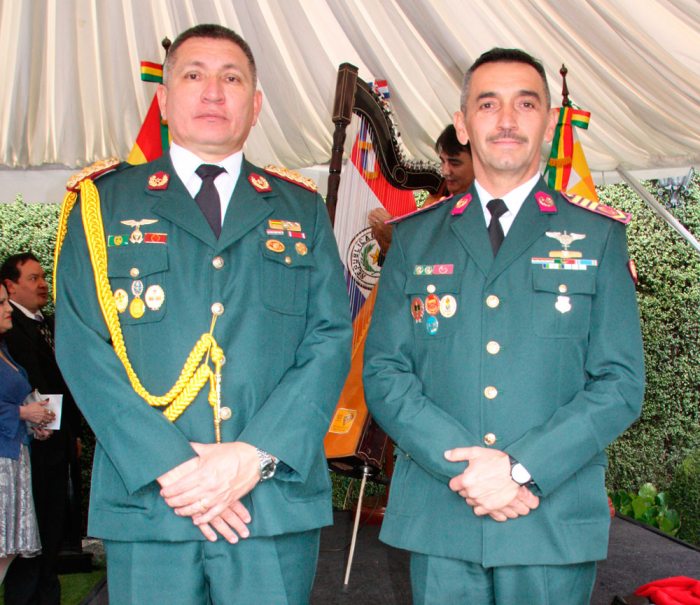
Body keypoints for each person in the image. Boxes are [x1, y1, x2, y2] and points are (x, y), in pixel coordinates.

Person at [54, 24, 351, 605]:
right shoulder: (102, 204)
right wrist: (172, 467)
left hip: (268, 499)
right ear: (164, 100)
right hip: (153, 499)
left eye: (231, 78)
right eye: (194, 75)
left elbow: (329, 340)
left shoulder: (302, 209)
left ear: (255, 105)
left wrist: (252, 456)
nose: (213, 92)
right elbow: (82, 344)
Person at [363, 47, 645, 604]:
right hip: (445, 514)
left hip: (549, 515)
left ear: (549, 121)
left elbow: (619, 383)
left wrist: (519, 469)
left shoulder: (598, 237)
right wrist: (471, 470)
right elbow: (385, 372)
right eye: (489, 104)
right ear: (463, 123)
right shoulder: (415, 238)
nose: (508, 119)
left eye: (526, 103)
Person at [1, 253, 83, 605]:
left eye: (43, 277)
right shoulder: (14, 332)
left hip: (49, 442)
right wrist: (28, 414)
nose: (42, 284)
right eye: (33, 278)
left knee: (47, 532)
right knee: (23, 542)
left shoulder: (45, 325)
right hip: (22, 452)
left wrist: (70, 432)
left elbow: (67, 383)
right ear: (10, 286)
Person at [0, 283, 54, 586]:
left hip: (14, 457)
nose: (9, 308)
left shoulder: (4, 348)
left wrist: (33, 424)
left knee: (7, 550)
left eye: (7, 301)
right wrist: (23, 413)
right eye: (1, 303)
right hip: (2, 463)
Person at [368, 124, 474, 253]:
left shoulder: (485, 207)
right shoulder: (442, 197)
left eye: (455, 163)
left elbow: (447, 254)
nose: (445, 171)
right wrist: (390, 242)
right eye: (443, 161)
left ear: (479, 162)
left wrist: (399, 235)